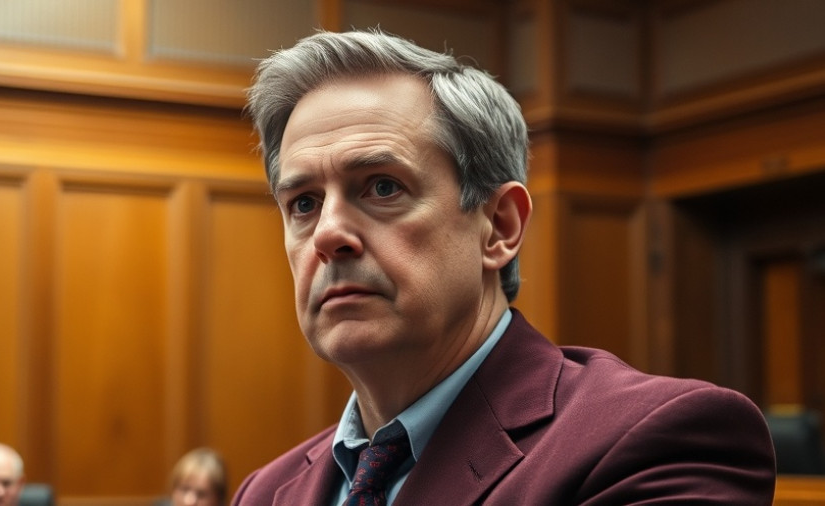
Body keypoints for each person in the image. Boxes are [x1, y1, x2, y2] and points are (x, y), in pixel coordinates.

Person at [234, 28, 776, 505]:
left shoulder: (654, 442)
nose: (328, 233)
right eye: (303, 203)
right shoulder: (264, 492)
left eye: (382, 187)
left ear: (499, 227)